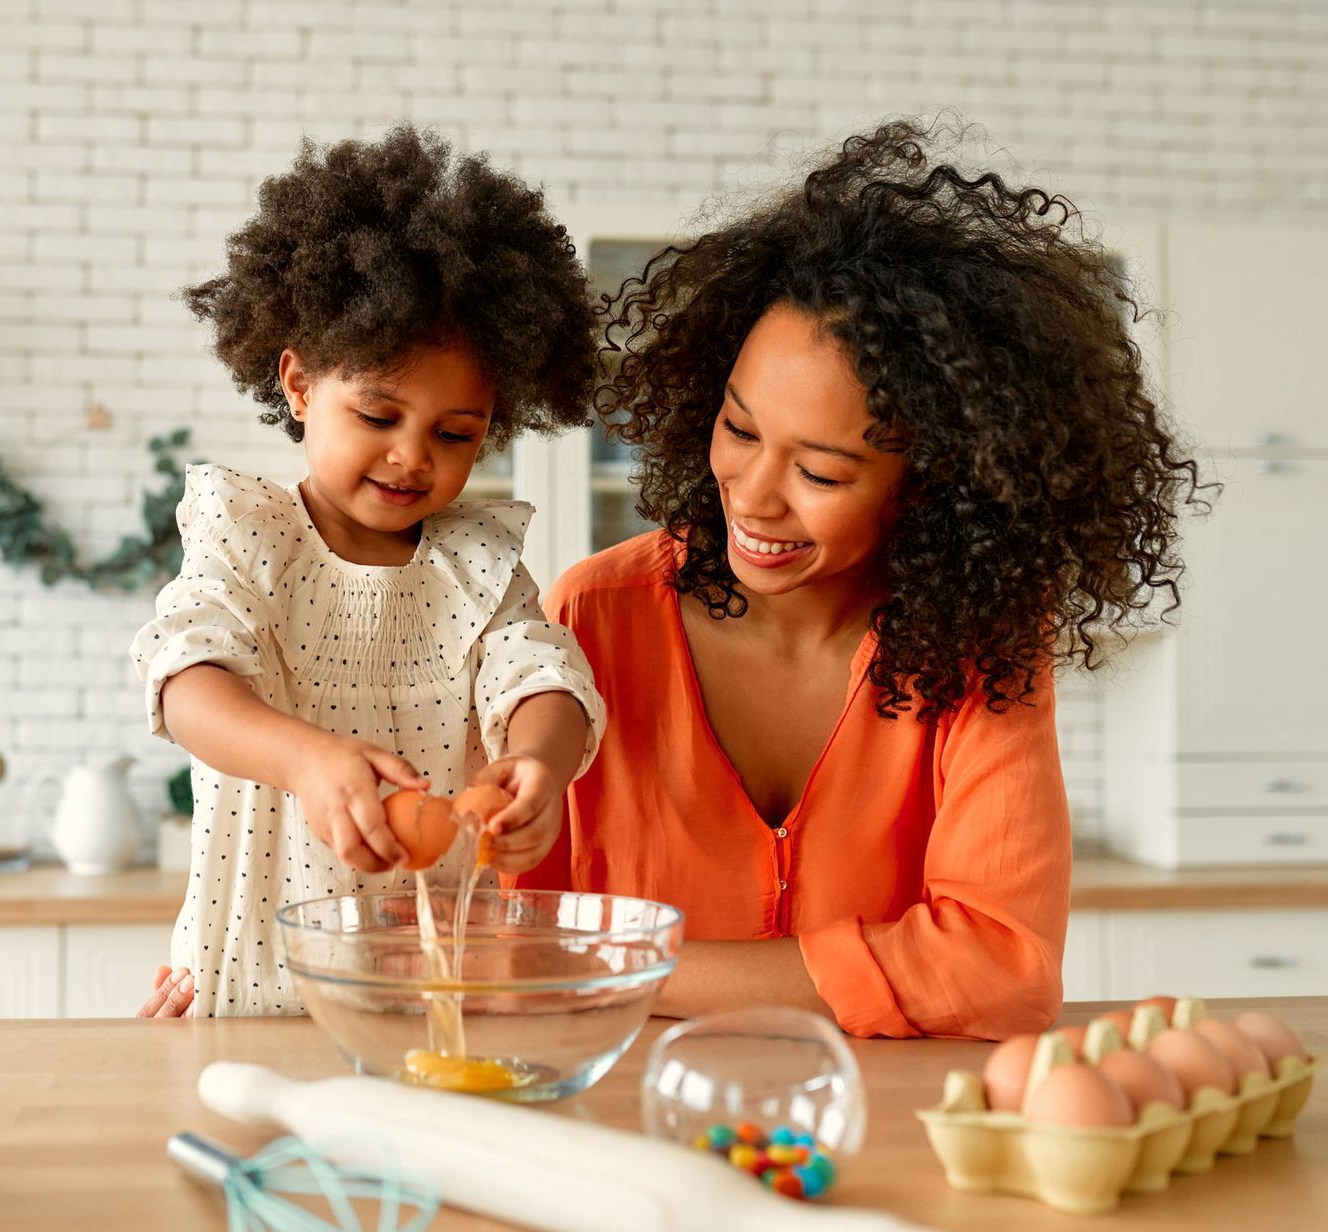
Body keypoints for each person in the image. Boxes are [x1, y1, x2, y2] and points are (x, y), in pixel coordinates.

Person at [506, 120, 1202, 1040]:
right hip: (634, 1113)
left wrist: (636, 962)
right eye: (741, 429)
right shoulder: (596, 614)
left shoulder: (982, 647)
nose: (751, 498)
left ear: (936, 483)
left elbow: (1003, 971)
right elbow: (520, 944)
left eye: (822, 473)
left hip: (881, 1137)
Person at [133, 127, 606, 1017]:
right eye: (379, 414)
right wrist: (309, 762)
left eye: (455, 433)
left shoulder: (476, 564)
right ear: (301, 385)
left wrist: (537, 762)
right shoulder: (247, 536)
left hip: (432, 990)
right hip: (250, 979)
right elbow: (185, 681)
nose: (411, 457)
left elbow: (542, 678)